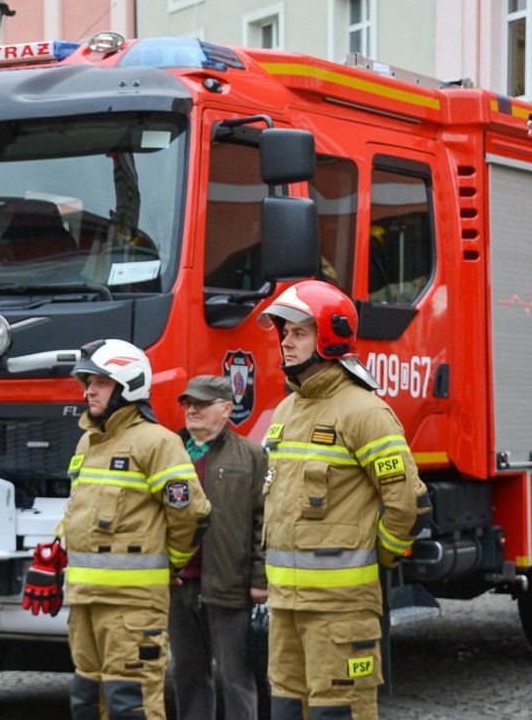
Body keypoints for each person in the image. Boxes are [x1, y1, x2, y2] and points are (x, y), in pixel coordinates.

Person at [257, 280, 429, 720]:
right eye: (284, 332)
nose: (286, 342)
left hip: (341, 613)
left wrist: (380, 556)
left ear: (330, 337)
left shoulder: (364, 412)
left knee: (340, 714)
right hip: (286, 610)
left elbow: (407, 500)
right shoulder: (286, 412)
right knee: (284, 713)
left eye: (299, 332)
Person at [60, 339, 211, 720]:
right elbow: (78, 509)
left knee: (133, 703)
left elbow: (190, 514)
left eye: (100, 382)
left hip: (132, 606)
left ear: (128, 385)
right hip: (84, 603)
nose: (89, 390)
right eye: (87, 382)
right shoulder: (88, 441)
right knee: (85, 700)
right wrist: (52, 555)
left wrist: (172, 564)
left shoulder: (157, 442)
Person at [168, 375, 267, 720]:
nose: (191, 409)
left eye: (201, 403)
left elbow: (263, 521)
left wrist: (260, 578)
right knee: (187, 672)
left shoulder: (251, 455)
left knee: (235, 676)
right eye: (187, 403)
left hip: (230, 584)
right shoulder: (168, 451)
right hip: (178, 583)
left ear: (226, 409)